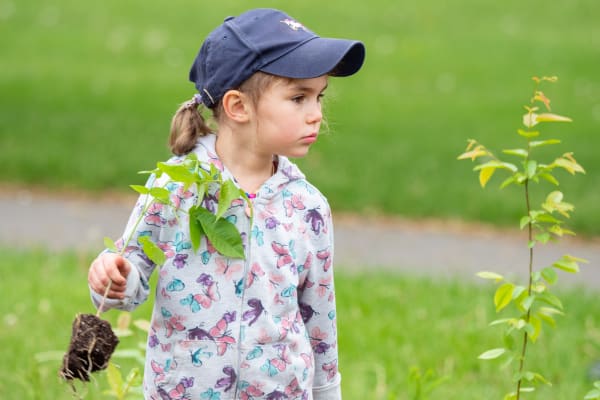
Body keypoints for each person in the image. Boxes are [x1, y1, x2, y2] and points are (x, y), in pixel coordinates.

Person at [87, 8, 365, 400]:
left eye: (319, 97)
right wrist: (113, 276)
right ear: (238, 107)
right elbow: (130, 276)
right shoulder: (175, 188)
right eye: (298, 98)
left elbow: (319, 316)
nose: (316, 114)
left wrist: (326, 392)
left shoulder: (308, 207)